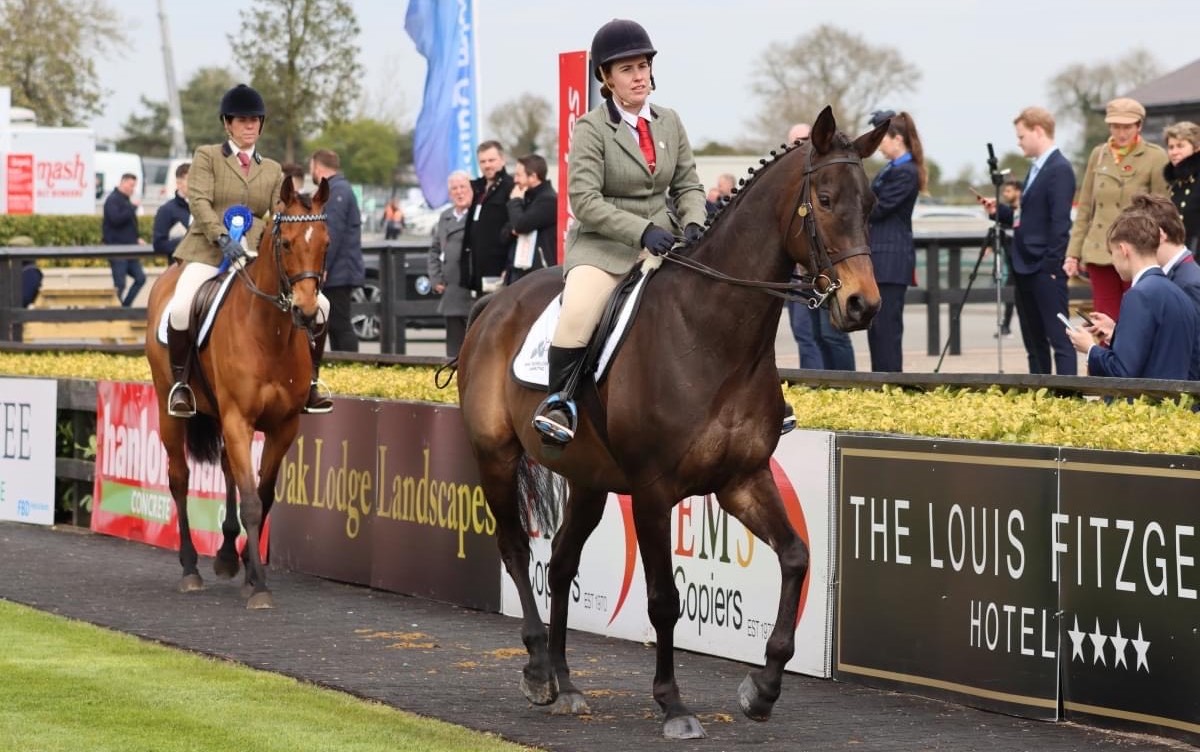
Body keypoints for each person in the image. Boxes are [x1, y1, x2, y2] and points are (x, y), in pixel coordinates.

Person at [531, 18, 708, 445]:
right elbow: (585, 202)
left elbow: (687, 183)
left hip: (665, 242)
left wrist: (695, 221)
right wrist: (642, 230)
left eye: (643, 66)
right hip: (604, 248)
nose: (639, 76)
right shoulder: (592, 128)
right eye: (627, 69)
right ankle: (560, 403)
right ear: (606, 79)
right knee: (577, 315)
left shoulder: (669, 121)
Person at [167, 83, 331, 418]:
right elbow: (198, 201)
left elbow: (278, 212)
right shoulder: (207, 157)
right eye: (242, 120)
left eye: (255, 120)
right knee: (181, 307)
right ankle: (181, 384)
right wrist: (221, 235)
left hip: (254, 254)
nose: (249, 125)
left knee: (323, 306)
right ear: (227, 123)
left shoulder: (271, 169)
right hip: (208, 251)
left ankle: (311, 383)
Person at [977, 107, 1077, 375]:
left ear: (1038, 131)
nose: (1018, 142)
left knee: (1060, 338)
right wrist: (1000, 211)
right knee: (1033, 340)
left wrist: (1051, 264)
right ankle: (1040, 388)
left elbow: (1060, 222)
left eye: (1021, 136)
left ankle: (1069, 397)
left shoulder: (1059, 169)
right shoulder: (1036, 169)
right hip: (1024, 265)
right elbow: (1029, 217)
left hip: (1043, 267)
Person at [1065, 97, 1169, 322]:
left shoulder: (1155, 156)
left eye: (1127, 126)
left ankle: (1133, 358)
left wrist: (1160, 251)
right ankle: (1106, 357)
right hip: (1099, 250)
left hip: (1137, 249)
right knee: (1103, 316)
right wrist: (1073, 253)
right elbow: (1085, 208)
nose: (1121, 133)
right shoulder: (1098, 154)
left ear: (1139, 126)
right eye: (1115, 126)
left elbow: (1162, 210)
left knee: (1137, 316)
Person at [1066, 211, 1196, 380]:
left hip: (1147, 402)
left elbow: (1122, 371)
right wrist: (1118, 333)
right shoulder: (1177, 291)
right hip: (1175, 402)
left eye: (1111, 253)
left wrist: (1090, 349)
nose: (1113, 262)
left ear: (1123, 249)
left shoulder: (1138, 295)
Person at [782, 122, 855, 370]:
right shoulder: (785, 182)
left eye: (805, 140)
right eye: (795, 142)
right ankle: (814, 383)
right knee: (805, 335)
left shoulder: (825, 178)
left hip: (824, 269)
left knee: (832, 334)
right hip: (798, 274)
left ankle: (847, 384)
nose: (800, 145)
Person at [866, 109, 925, 373]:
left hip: (890, 257)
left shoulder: (906, 172)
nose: (879, 146)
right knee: (877, 328)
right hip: (880, 255)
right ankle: (881, 379)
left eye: (883, 139)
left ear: (897, 138)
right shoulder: (890, 169)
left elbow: (879, 208)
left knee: (887, 330)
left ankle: (889, 380)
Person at [1128, 192, 1200, 377]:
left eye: (1135, 236)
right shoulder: (1176, 276)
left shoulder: (1188, 283)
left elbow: (1192, 356)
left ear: (1159, 235)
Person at [309, 149, 365, 353]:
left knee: (340, 325)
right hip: (341, 269)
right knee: (334, 324)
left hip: (338, 272)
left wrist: (322, 265)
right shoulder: (339, 189)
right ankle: (345, 365)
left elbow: (331, 233)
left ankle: (350, 365)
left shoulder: (335, 192)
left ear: (317, 167)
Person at [460, 140, 515, 296]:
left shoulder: (510, 187)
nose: (487, 165)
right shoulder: (477, 188)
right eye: (483, 161)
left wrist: (508, 267)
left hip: (499, 268)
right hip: (477, 268)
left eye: (491, 160)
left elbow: (515, 227)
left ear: (502, 160)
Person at [429, 171, 474, 357]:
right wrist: (435, 277)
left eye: (463, 187)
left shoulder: (478, 215)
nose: (459, 192)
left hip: (472, 290)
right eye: (454, 188)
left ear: (471, 190)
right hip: (451, 289)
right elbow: (434, 250)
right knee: (454, 349)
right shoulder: (445, 216)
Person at [505, 153, 558, 285]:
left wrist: (515, 201)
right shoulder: (526, 198)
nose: (515, 180)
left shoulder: (549, 200)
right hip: (518, 271)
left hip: (539, 276)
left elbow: (520, 225)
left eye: (518, 175)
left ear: (533, 177)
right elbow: (505, 231)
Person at [102, 172, 147, 307]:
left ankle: (124, 307)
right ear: (122, 182)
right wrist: (132, 207)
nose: (132, 189)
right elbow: (116, 219)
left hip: (130, 249)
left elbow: (128, 226)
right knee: (120, 284)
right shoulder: (112, 199)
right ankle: (115, 311)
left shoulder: (125, 200)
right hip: (117, 249)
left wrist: (136, 238)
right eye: (131, 185)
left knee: (140, 278)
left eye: (134, 186)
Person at [1163, 121, 1200, 251]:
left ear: (1196, 148)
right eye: (1171, 147)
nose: (1174, 152)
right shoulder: (1175, 183)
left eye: (1180, 146)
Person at [995, 177, 1022, 338]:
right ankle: (1005, 326)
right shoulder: (1005, 214)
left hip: (1024, 262)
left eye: (1009, 191)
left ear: (1018, 192)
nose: (1005, 194)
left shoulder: (1023, 212)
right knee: (1009, 294)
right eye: (1004, 191)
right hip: (1011, 263)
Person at [151, 162, 190, 263]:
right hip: (178, 270)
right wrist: (185, 242)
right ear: (179, 183)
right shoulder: (166, 210)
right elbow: (158, 244)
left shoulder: (204, 207)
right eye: (190, 179)